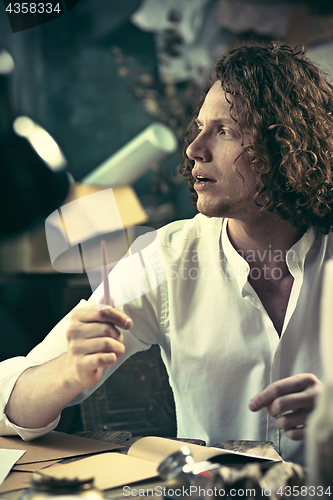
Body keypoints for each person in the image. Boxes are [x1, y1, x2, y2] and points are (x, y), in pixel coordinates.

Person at [1, 41, 332, 466]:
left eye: (225, 131)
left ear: (287, 143)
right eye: (199, 128)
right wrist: (67, 373)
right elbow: (8, 404)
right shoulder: (166, 259)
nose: (194, 149)